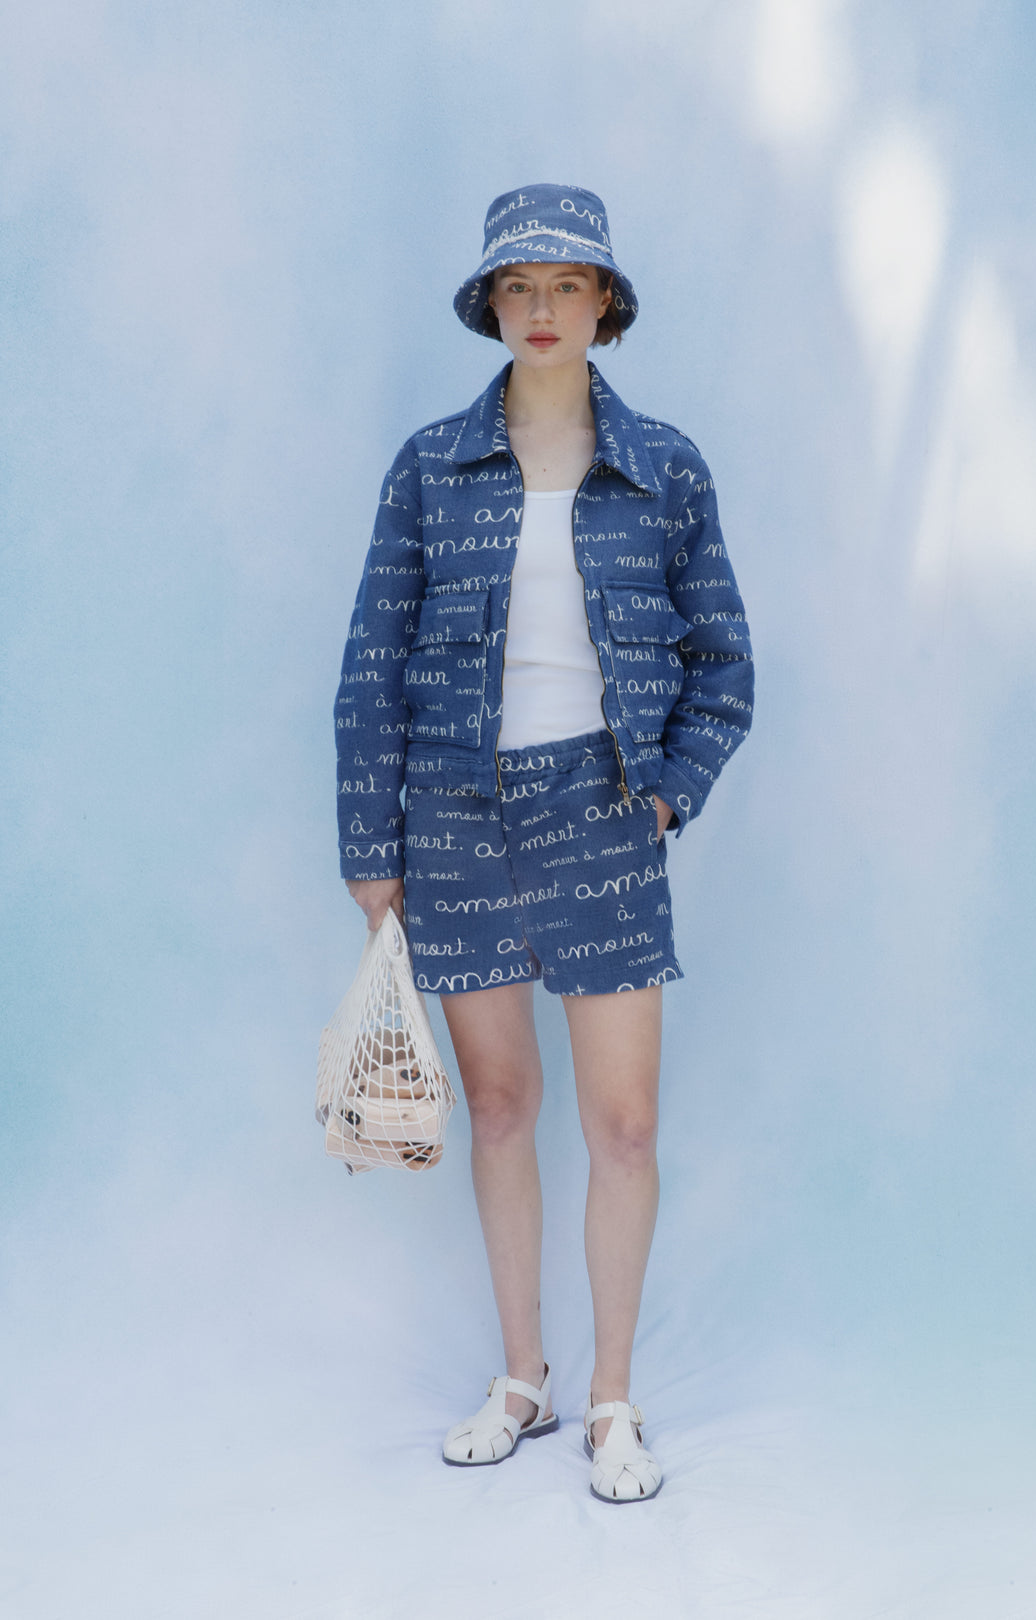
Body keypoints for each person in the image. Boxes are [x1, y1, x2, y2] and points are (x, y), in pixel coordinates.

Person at [334, 183, 753, 1503]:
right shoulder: (427, 467)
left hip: (602, 810)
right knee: (503, 1106)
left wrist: (665, 796)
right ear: (492, 307)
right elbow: (372, 667)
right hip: (454, 816)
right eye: (520, 287)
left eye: (568, 285)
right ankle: (524, 1378)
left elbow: (724, 665)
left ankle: (612, 1398)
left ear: (605, 304)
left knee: (623, 1123)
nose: (544, 309)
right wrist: (370, 847)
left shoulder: (667, 467)